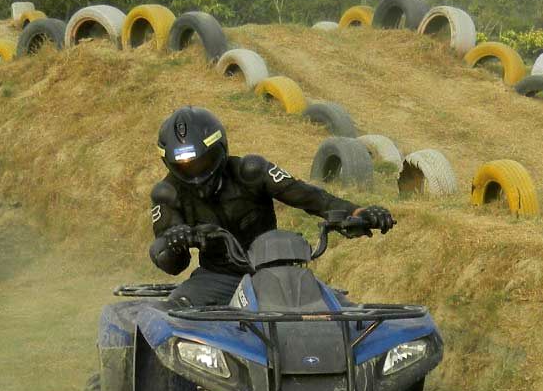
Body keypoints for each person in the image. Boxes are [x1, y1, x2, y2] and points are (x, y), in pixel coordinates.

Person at [147, 106, 393, 306]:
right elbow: (171, 265)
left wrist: (357, 213)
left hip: (276, 273)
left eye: (202, 162)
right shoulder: (167, 194)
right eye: (185, 167)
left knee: (343, 315)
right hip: (216, 279)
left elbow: (309, 196)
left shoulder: (252, 171)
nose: (195, 172)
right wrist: (175, 242)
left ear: (220, 150)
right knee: (171, 315)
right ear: (170, 165)